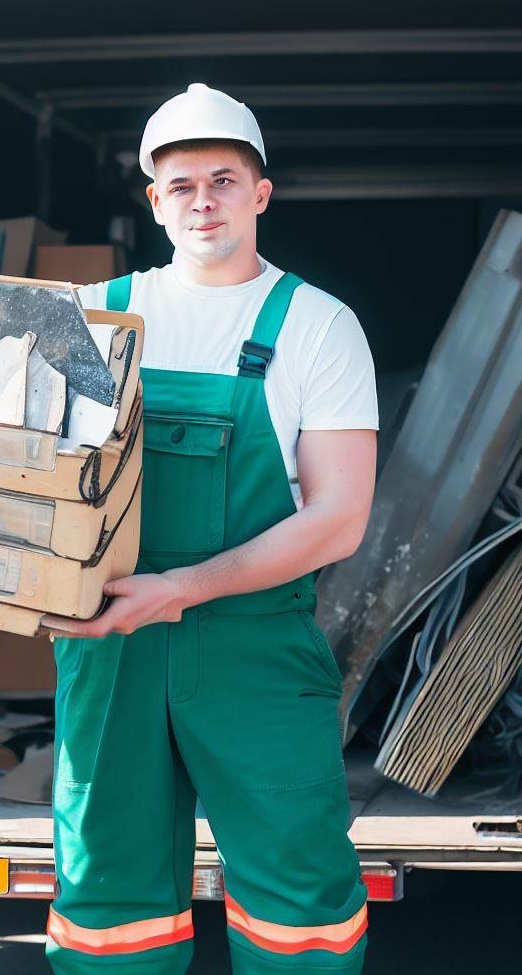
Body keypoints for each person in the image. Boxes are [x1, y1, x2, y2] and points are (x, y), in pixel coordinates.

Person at [42, 83, 378, 974]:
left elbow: (340, 517)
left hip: (253, 647)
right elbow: (21, 478)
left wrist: (182, 589)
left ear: (260, 193)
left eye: (224, 180)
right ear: (154, 201)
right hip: (111, 644)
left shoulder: (317, 327)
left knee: (298, 899)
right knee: (109, 900)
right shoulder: (87, 313)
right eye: (181, 184)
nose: (204, 201)